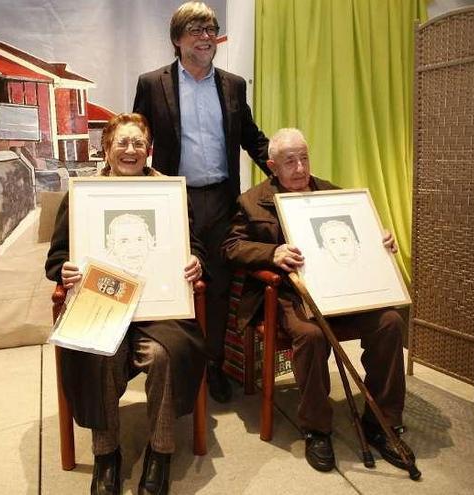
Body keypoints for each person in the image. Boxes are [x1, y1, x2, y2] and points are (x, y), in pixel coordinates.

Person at [221, 128, 415, 473]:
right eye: (289, 161)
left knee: (390, 322)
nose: (299, 168)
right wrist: (272, 252)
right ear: (272, 165)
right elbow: (232, 247)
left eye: (304, 158)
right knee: (309, 335)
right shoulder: (252, 201)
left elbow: (362, 237)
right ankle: (317, 428)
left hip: (342, 293)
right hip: (288, 295)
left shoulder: (333, 194)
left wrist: (380, 238)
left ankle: (382, 420)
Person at [45, 113, 207, 495]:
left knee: (167, 354)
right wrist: (64, 271)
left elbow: (193, 245)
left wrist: (196, 260)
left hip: (161, 310)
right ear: (107, 149)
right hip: (103, 307)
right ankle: (107, 455)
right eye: (122, 143)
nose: (130, 150)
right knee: (95, 353)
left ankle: (160, 451)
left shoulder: (170, 193)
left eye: (138, 143)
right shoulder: (83, 196)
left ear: (148, 150)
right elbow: (56, 258)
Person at [133, 1, 270, 403]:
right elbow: (138, 139)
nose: (206, 37)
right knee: (178, 282)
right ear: (177, 40)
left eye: (211, 30)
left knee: (220, 285)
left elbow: (251, 137)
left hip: (223, 200)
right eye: (195, 30)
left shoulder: (233, 84)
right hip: (172, 201)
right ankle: (178, 361)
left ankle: (212, 363)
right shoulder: (151, 83)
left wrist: (284, 167)